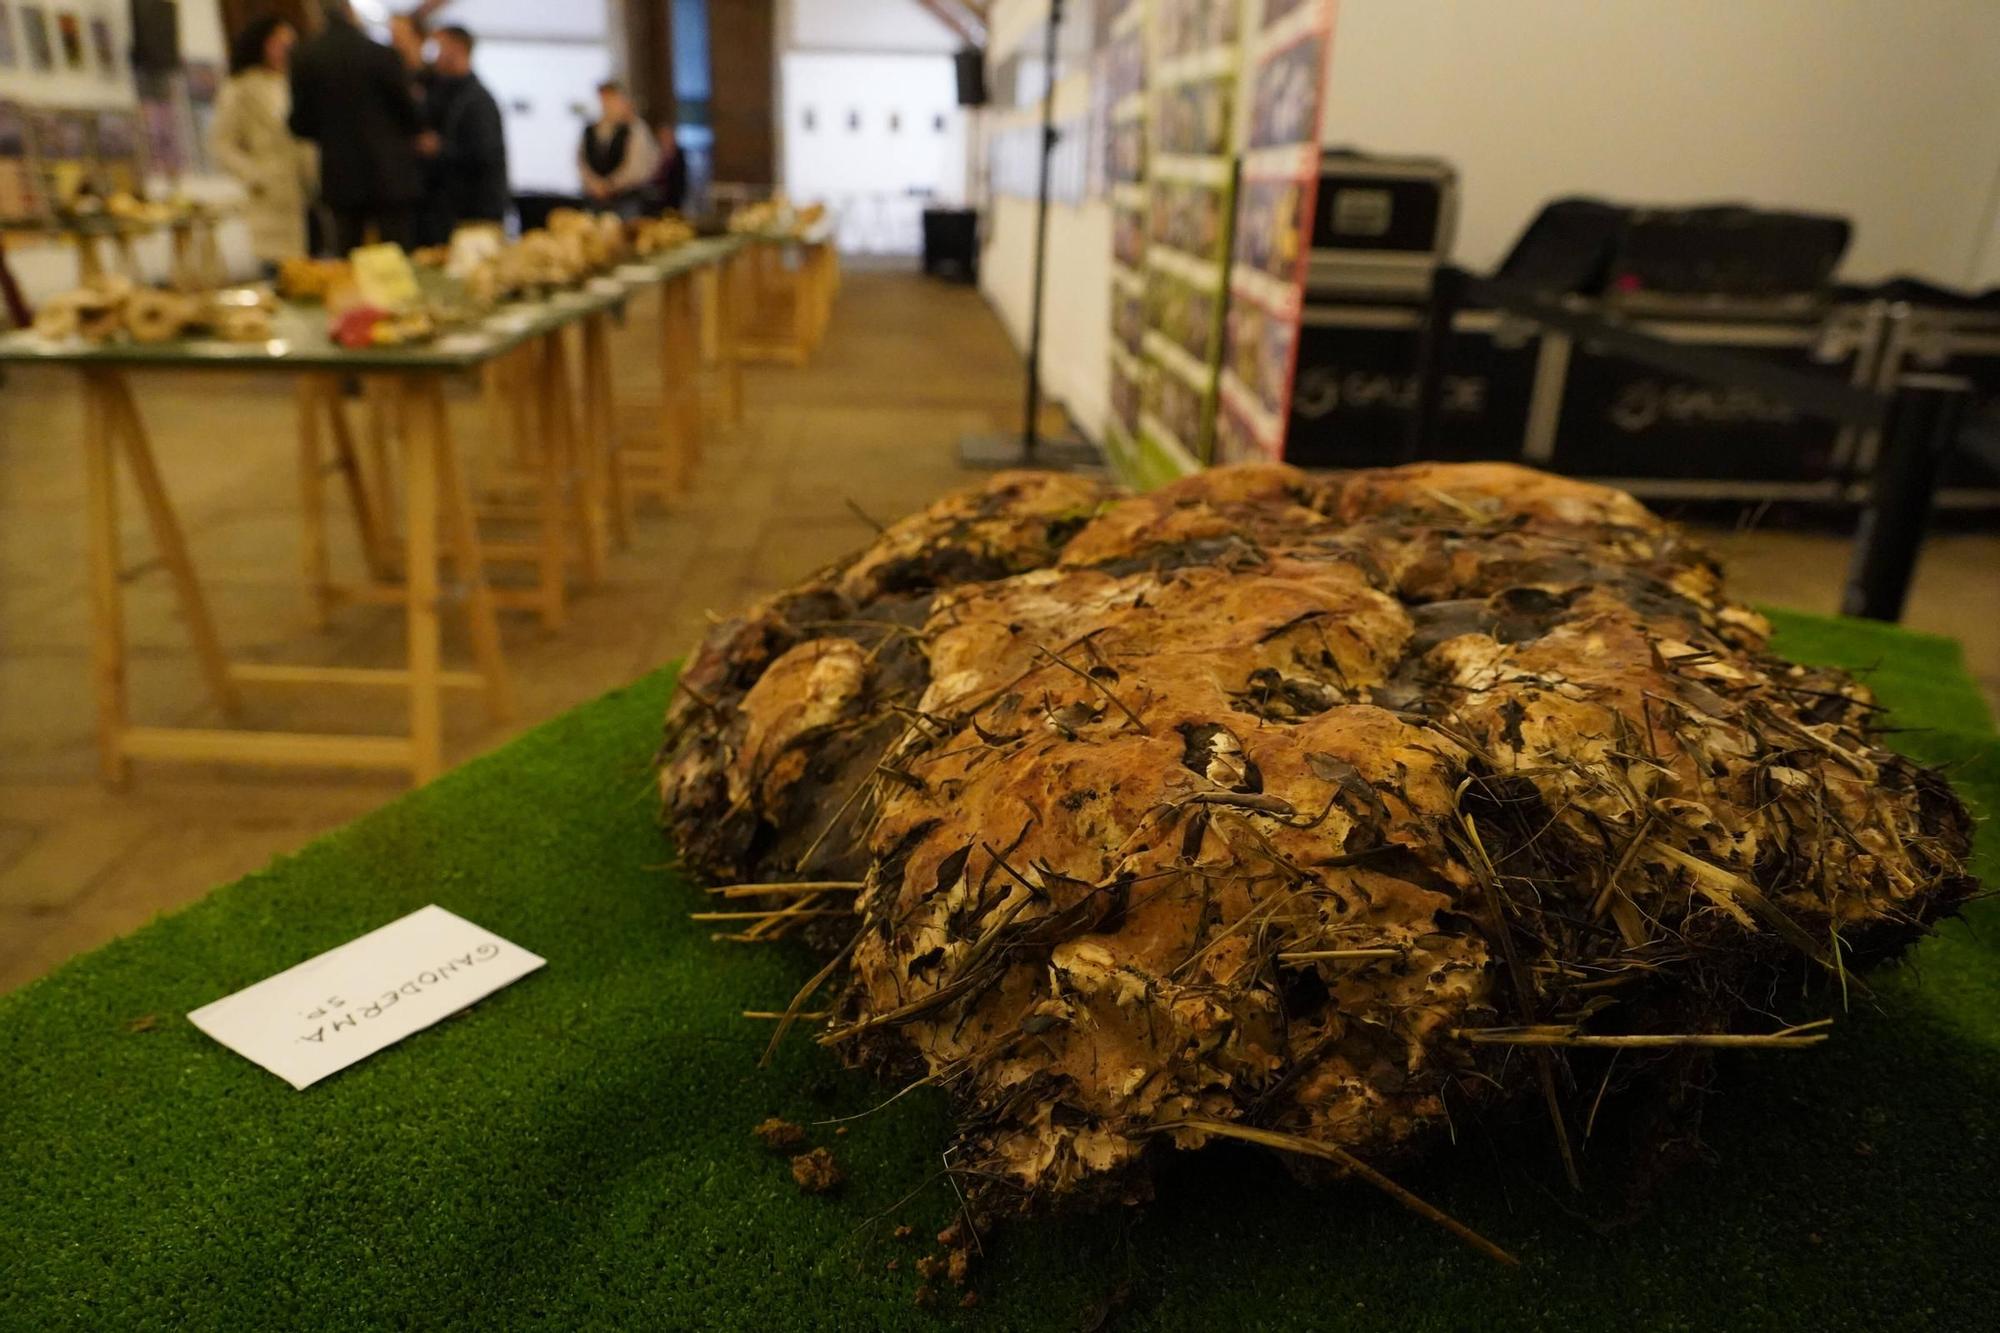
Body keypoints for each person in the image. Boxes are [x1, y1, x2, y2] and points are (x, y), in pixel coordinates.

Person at [288, 0, 423, 253]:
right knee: (396, 258)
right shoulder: (382, 55)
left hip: (340, 174)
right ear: (350, 12)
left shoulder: (305, 57)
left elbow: (299, 124)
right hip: (389, 173)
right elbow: (411, 117)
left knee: (349, 255)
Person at [208, 16, 315, 270]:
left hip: (309, 193)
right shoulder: (240, 89)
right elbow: (221, 144)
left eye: (289, 43)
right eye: (277, 43)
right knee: (281, 270)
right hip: (272, 197)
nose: (285, 50)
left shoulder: (298, 82)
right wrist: (255, 175)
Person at [416, 26, 508, 237]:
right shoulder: (444, 93)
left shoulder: (478, 101)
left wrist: (439, 149)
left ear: (457, 48)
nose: (432, 56)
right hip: (448, 212)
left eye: (437, 47)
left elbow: (484, 153)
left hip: (475, 216)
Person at [578, 81, 656, 218]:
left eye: (611, 99)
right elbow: (582, 161)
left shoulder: (633, 128)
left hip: (626, 199)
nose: (607, 104)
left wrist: (611, 185)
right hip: (595, 199)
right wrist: (594, 184)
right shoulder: (591, 130)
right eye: (604, 100)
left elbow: (637, 167)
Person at [642, 123, 687, 214]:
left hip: (672, 198)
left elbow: (681, 180)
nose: (665, 138)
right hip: (653, 199)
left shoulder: (679, 155)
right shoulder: (654, 152)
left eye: (668, 135)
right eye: (663, 135)